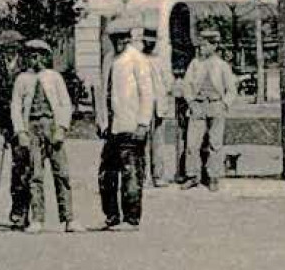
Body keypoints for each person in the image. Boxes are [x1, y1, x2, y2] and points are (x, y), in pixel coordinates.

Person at [12, 39, 75, 234]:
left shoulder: (54, 77)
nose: (35, 59)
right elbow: (15, 106)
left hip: (52, 125)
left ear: (46, 57)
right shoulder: (22, 79)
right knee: (34, 174)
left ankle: (69, 218)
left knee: (61, 173)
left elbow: (65, 103)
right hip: (32, 127)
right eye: (32, 55)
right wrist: (21, 131)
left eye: (39, 55)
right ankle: (37, 218)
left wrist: (62, 128)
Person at [98, 17, 154, 230]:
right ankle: (112, 216)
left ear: (130, 39)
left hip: (131, 125)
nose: (119, 42)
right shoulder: (109, 59)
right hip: (112, 127)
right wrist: (102, 120)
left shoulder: (137, 60)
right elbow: (103, 93)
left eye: (124, 38)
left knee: (131, 173)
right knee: (107, 174)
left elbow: (147, 93)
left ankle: (131, 218)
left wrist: (143, 123)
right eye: (115, 38)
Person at [181, 27, 239, 189]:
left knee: (215, 143)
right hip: (198, 105)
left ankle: (213, 176)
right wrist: (191, 103)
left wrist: (224, 104)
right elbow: (186, 85)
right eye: (200, 45)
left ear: (214, 46)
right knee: (192, 143)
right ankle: (192, 175)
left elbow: (232, 90)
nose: (201, 48)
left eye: (205, 45)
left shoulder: (222, 66)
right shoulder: (195, 64)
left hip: (215, 105)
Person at [0, 29, 31, 228]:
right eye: (6, 47)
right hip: (10, 126)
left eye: (13, 47)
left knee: (27, 170)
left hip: (27, 123)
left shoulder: (26, 67)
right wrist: (3, 127)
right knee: (17, 169)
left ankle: (26, 212)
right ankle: (17, 211)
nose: (9, 51)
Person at [140, 31, 175, 188]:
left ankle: (158, 175)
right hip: (142, 105)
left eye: (152, 42)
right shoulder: (138, 59)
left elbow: (168, 81)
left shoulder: (160, 60)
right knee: (142, 142)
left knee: (158, 141)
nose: (149, 44)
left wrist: (164, 93)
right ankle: (143, 176)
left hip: (157, 105)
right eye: (147, 41)